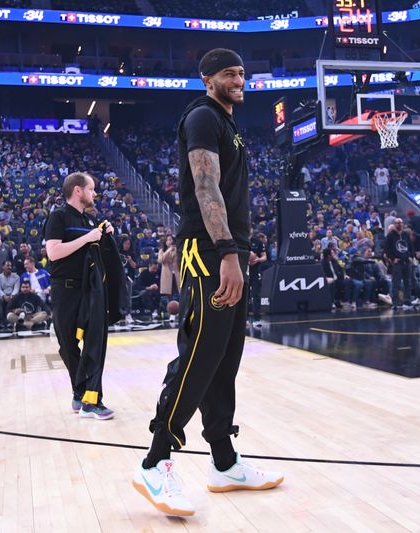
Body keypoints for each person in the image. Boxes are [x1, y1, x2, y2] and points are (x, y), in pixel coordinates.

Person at [133, 48, 283, 519]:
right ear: (207, 79)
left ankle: (224, 463)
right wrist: (227, 252)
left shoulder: (229, 122)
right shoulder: (202, 117)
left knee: (224, 358)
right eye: (228, 73)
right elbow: (205, 188)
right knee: (200, 353)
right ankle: (155, 462)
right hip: (207, 251)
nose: (238, 79)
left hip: (227, 249)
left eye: (242, 72)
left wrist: (241, 246)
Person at [44, 172, 117, 420]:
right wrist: (88, 237)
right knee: (67, 345)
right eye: (92, 189)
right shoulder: (58, 216)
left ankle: (92, 399)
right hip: (63, 289)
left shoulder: (88, 220)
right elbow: (53, 253)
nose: (94, 194)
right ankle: (80, 391)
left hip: (88, 291)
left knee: (95, 342)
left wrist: (104, 232)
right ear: (78, 190)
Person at [384, 218, 414, 310]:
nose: (399, 225)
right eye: (397, 223)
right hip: (397, 263)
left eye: (401, 223)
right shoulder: (390, 236)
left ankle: (407, 301)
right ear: (394, 224)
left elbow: (410, 246)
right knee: (396, 283)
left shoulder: (405, 234)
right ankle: (395, 302)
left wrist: (411, 256)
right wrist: (392, 259)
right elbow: (387, 248)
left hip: (406, 261)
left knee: (407, 282)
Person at [157, 234, 180, 314]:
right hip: (167, 275)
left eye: (171, 240)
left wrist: (175, 250)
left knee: (179, 293)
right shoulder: (162, 251)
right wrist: (168, 251)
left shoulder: (177, 250)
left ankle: (179, 311)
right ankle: (171, 313)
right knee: (169, 295)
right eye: (168, 240)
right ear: (165, 242)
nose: (170, 241)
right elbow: (160, 260)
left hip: (176, 274)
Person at [248, 231, 267, 327]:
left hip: (256, 271)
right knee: (244, 296)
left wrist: (257, 259)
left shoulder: (258, 242)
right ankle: (245, 319)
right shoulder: (240, 241)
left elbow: (264, 257)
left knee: (256, 295)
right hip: (244, 270)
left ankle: (256, 319)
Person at [0, 260, 20, 327]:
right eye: (7, 266)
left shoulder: (16, 277)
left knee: (14, 299)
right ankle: (1, 322)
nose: (9, 267)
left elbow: (16, 288)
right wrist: (3, 296)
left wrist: (12, 295)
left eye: (10, 266)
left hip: (13, 295)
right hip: (2, 295)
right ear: (3, 267)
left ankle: (10, 322)